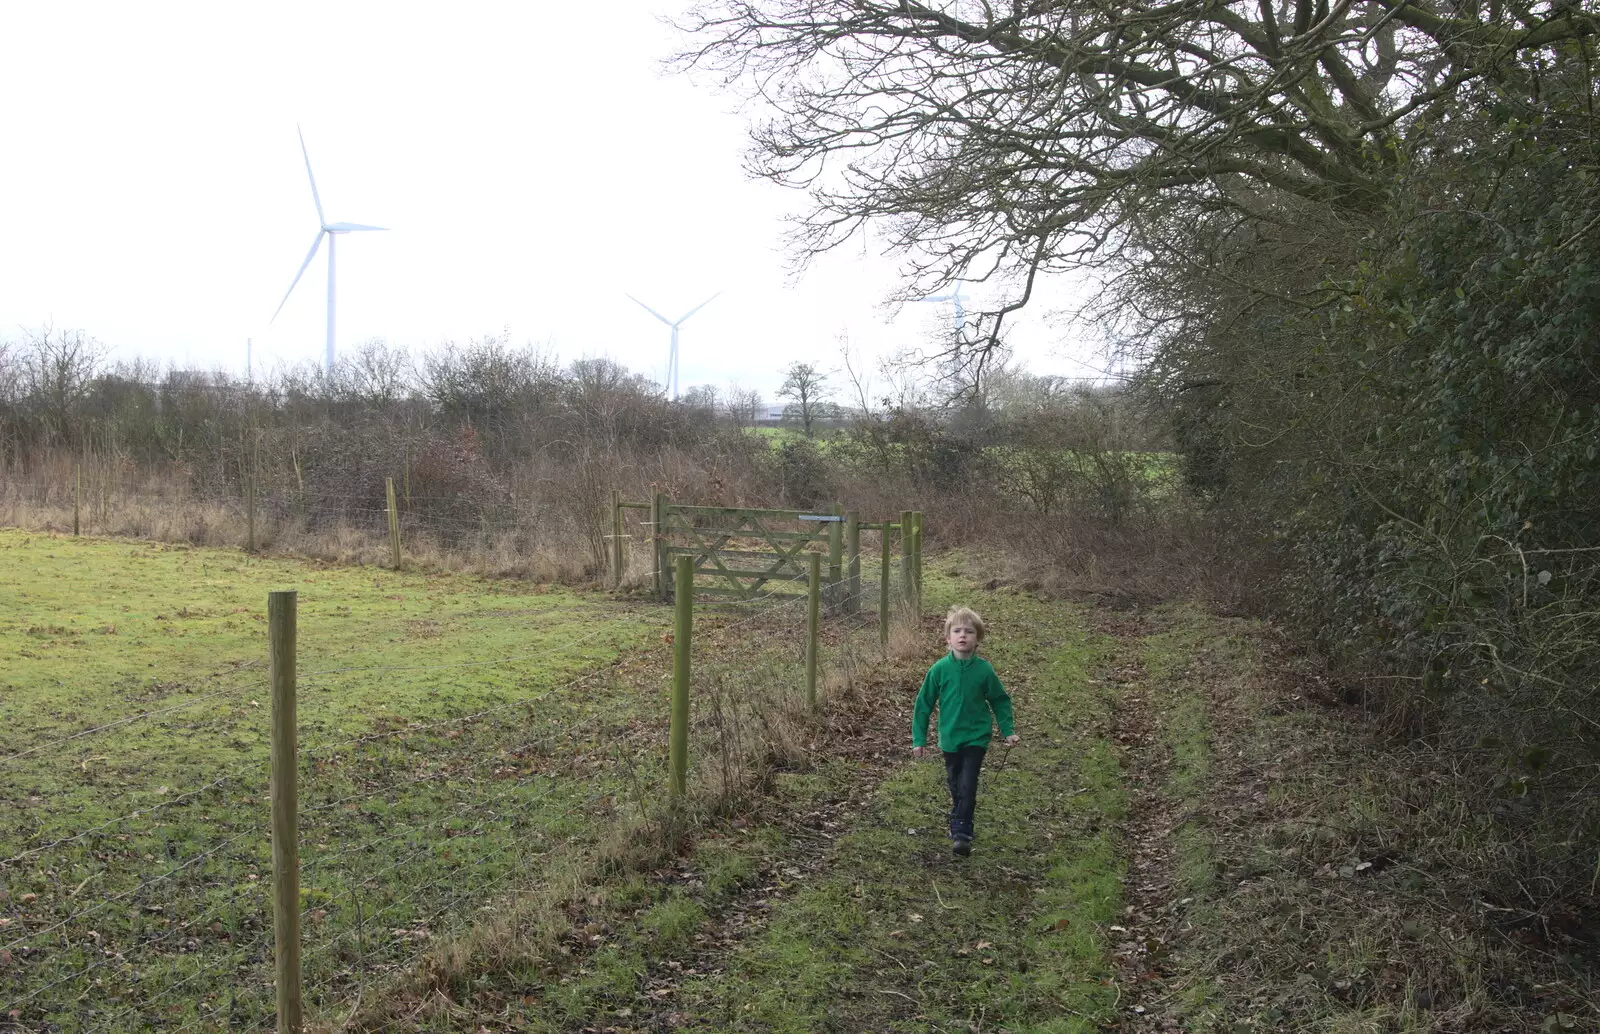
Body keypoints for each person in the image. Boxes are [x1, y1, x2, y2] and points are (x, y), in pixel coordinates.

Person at [911, 605, 1018, 857]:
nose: (963, 635)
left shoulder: (984, 670)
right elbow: (923, 704)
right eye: (957, 631)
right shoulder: (939, 670)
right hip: (949, 738)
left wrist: (1008, 730)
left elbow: (1000, 700)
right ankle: (959, 816)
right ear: (947, 638)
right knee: (956, 784)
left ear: (977, 638)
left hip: (976, 737)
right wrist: (919, 738)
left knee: (968, 783)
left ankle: (962, 833)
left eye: (969, 631)